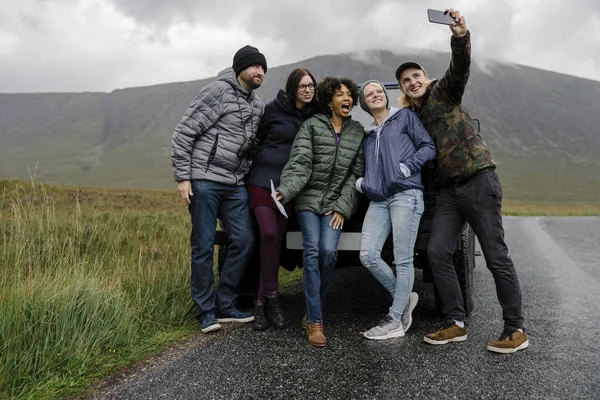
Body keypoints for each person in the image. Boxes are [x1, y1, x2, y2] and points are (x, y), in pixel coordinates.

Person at [395, 9, 528, 353]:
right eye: (405, 80)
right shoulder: (410, 117)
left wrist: (459, 36)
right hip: (449, 193)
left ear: (425, 77)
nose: (412, 82)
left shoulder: (444, 92)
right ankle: (456, 322)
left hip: (478, 180)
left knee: (496, 256)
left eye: (415, 75)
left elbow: (460, 67)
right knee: (438, 251)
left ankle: (515, 329)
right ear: (404, 90)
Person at [171, 45, 267, 333]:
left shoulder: (258, 104)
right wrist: (183, 177)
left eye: (263, 68)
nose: (260, 72)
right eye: (255, 67)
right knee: (202, 246)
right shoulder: (217, 92)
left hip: (235, 184)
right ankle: (205, 311)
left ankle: (225, 303)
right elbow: (184, 132)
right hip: (204, 180)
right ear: (240, 68)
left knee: (244, 241)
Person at [275, 77, 364, 347]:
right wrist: (286, 190)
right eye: (340, 95)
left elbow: (356, 174)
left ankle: (313, 309)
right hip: (307, 201)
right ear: (329, 100)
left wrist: (342, 206)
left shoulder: (357, 131)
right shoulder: (312, 126)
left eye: (349, 95)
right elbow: (300, 162)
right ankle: (315, 321)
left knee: (329, 253)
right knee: (312, 251)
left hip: (335, 204)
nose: (346, 99)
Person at [356, 80, 436, 340]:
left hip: (406, 195)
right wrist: (362, 184)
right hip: (379, 200)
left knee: (402, 260)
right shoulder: (368, 135)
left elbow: (428, 147)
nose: (375, 94)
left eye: (379, 90)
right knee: (368, 255)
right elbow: (367, 168)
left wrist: (407, 167)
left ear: (386, 96)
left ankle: (394, 320)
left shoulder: (405, 117)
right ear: (364, 103)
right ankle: (404, 299)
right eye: (369, 94)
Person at [245, 68, 318, 331]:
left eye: (311, 86)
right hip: (261, 180)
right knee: (267, 234)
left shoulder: (314, 114)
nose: (308, 90)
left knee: (277, 240)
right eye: (302, 86)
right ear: (293, 88)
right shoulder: (272, 109)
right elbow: (257, 140)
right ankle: (267, 297)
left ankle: (265, 301)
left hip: (287, 187)